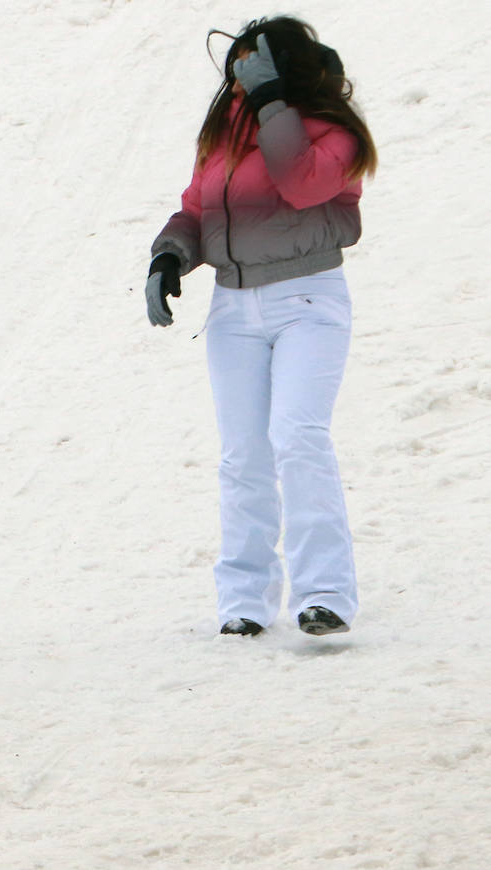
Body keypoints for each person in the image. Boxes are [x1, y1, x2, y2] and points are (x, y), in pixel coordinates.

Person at [143, 16, 377, 637]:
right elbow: (198, 208)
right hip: (233, 308)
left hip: (308, 299)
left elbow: (302, 182)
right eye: (241, 65)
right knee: (243, 456)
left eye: (258, 63)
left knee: (297, 436)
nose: (242, 75)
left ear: (287, 65)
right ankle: (243, 602)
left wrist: (275, 103)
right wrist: (170, 254)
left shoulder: (333, 131)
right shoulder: (225, 135)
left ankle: (324, 594)